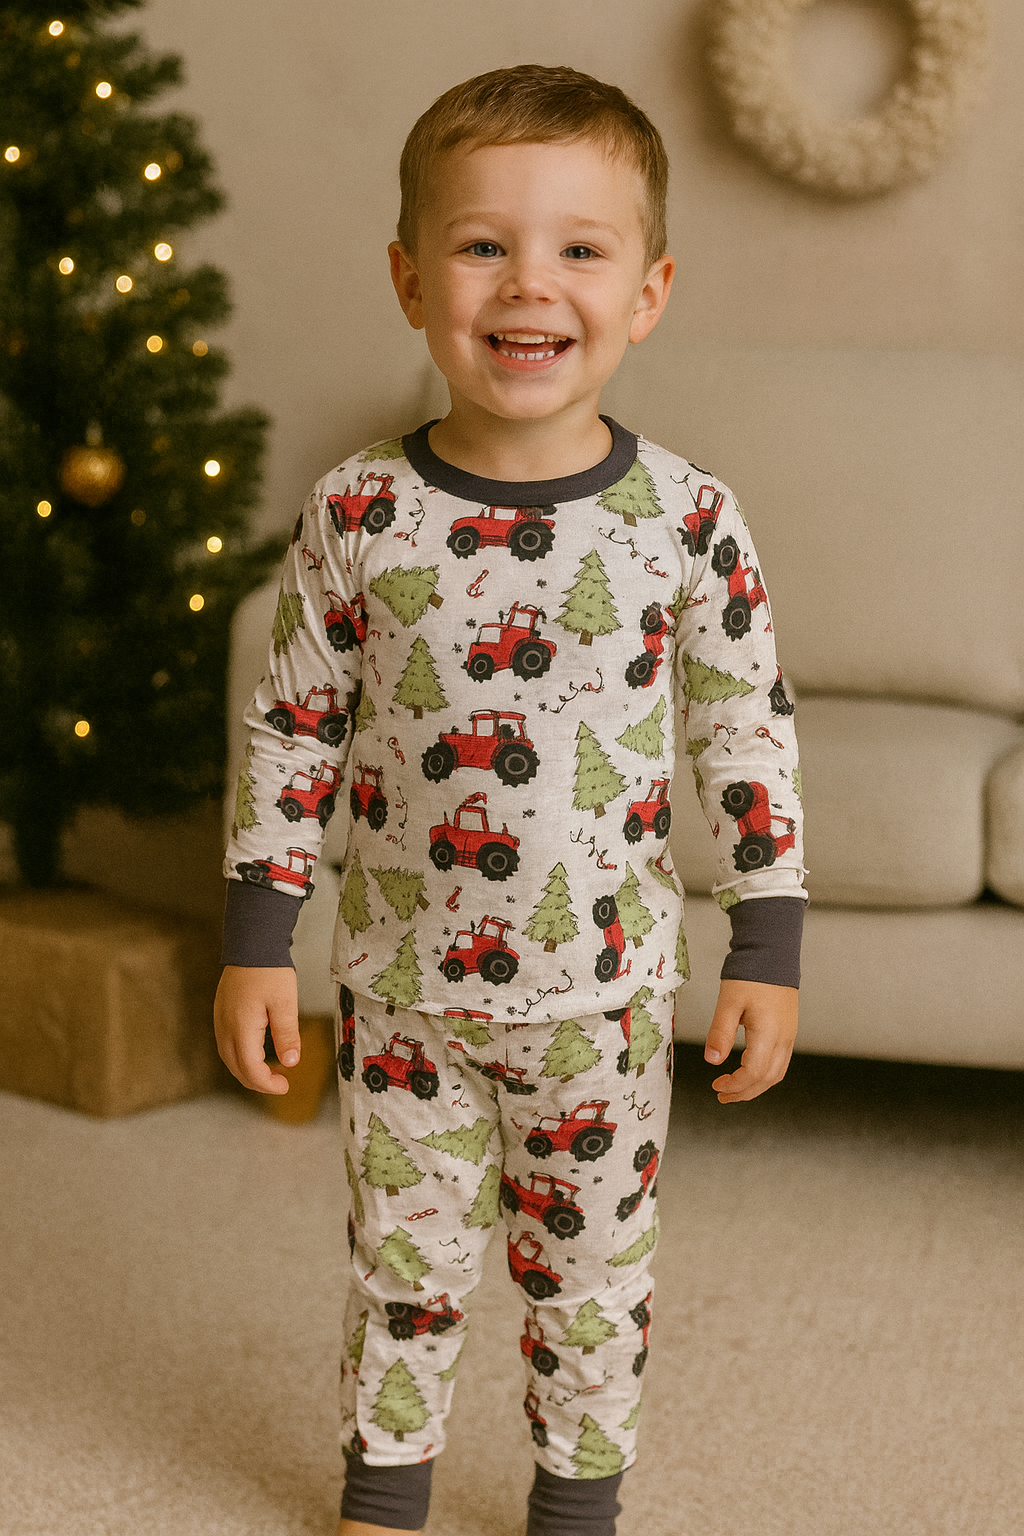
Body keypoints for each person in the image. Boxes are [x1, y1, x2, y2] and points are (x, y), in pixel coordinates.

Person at [214, 64, 807, 1536]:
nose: (530, 283)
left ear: (648, 292)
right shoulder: (359, 512)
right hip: (401, 991)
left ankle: (575, 1508)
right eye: (484, 245)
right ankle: (383, 1496)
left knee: (593, 1273)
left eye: (579, 249)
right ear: (412, 283)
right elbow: (291, 731)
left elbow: (744, 734)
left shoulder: (687, 520)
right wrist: (257, 936)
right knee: (400, 1269)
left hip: (605, 998)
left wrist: (769, 946)